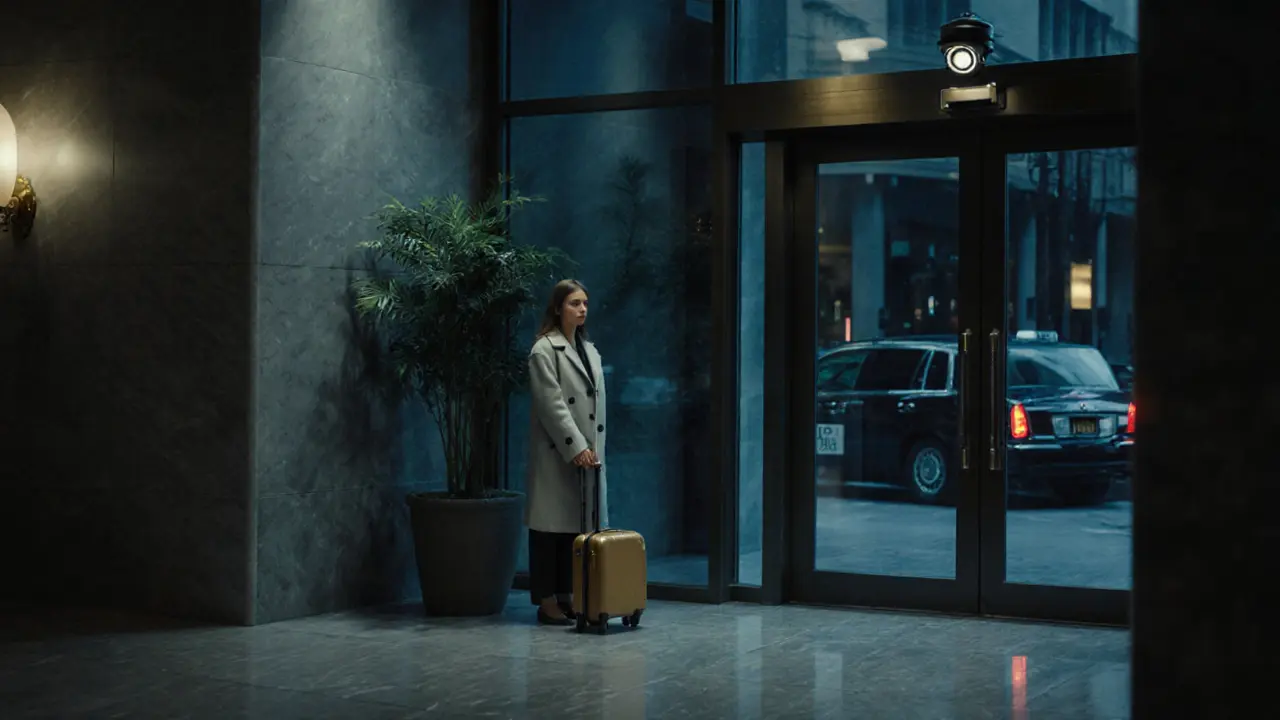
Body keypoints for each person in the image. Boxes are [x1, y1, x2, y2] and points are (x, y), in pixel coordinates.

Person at [525, 279, 608, 626]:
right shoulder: (544, 350)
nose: (582, 309)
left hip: (586, 454)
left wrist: (590, 449)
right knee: (548, 531)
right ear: (558, 307)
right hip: (556, 453)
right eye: (575, 303)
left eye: (585, 303)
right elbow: (552, 405)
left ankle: (567, 596)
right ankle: (547, 601)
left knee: (572, 531)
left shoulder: (589, 350)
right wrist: (576, 446)